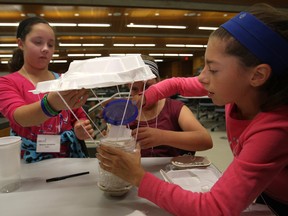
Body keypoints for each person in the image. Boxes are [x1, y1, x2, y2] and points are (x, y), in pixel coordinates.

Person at [97, 3, 288, 215]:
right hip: (265, 190)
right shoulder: (236, 88)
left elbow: (214, 208)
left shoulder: (275, 129)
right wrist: (137, 102)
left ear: (257, 75)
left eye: (213, 69)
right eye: (204, 66)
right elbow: (175, 84)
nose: (202, 78)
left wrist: (138, 177)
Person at [0, 16, 94, 163]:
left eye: (50, 45)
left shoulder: (64, 80)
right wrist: (51, 105)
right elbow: (19, 116)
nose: (45, 49)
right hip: (28, 162)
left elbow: (79, 115)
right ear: (21, 43)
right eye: (38, 42)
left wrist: (80, 127)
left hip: (69, 159)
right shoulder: (7, 82)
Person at [128, 55, 212, 157]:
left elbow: (206, 140)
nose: (141, 94)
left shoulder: (175, 109)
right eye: (134, 89)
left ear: (158, 82)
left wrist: (163, 136)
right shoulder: (124, 113)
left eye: (148, 86)